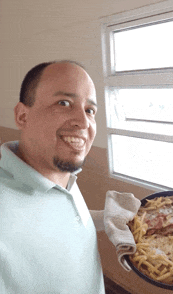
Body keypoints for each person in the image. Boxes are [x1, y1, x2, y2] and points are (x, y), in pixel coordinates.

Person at [0, 60, 106, 293]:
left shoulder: (61, 173)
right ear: (22, 116)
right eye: (64, 103)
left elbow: (53, 218)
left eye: (90, 110)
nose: (83, 121)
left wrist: (107, 219)